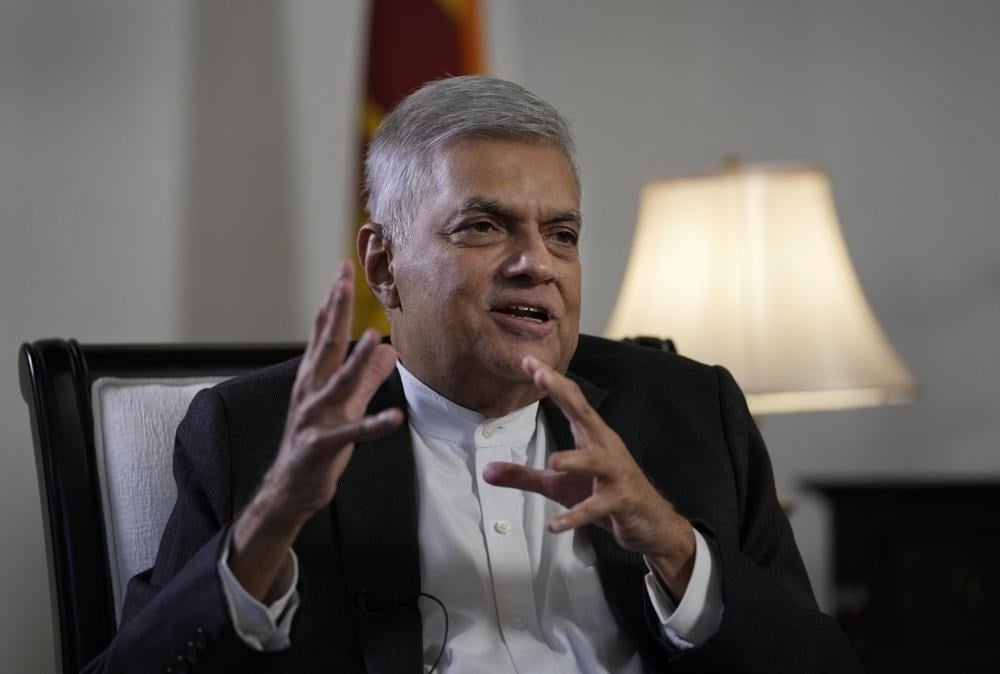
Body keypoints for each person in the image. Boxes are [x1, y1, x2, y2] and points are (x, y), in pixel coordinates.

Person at [85, 76, 862, 673]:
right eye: (484, 227)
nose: (536, 266)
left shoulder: (692, 410)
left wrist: (673, 544)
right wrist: (270, 522)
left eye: (562, 234)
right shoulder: (258, 431)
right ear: (383, 265)